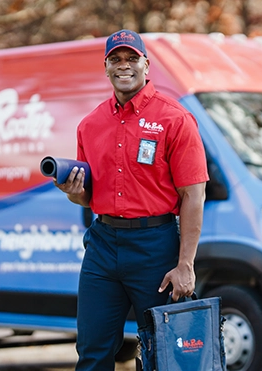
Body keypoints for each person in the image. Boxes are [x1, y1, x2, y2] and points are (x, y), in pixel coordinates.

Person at [54, 29, 209, 370]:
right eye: (116, 59)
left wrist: (186, 265)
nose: (124, 66)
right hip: (103, 245)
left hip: (155, 247)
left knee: (162, 352)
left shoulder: (175, 119)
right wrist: (75, 194)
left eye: (131, 58)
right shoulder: (89, 125)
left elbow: (194, 196)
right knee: (92, 351)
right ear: (106, 67)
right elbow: (88, 198)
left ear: (146, 65)